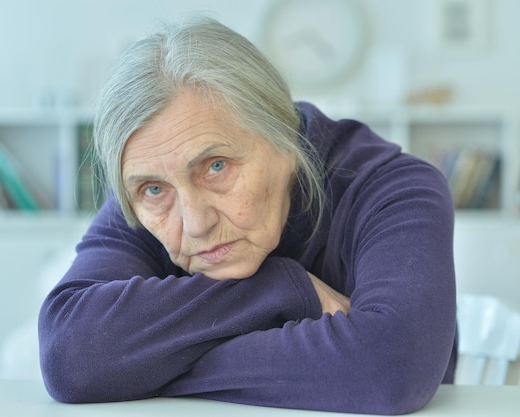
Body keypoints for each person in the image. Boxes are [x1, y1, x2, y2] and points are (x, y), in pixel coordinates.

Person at [38, 16, 457, 414]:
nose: (195, 223)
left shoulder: (393, 188)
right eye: (152, 189)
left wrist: (138, 365)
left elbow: (389, 365)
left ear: (286, 141)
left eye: (216, 166)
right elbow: (71, 357)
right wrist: (282, 288)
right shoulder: (150, 195)